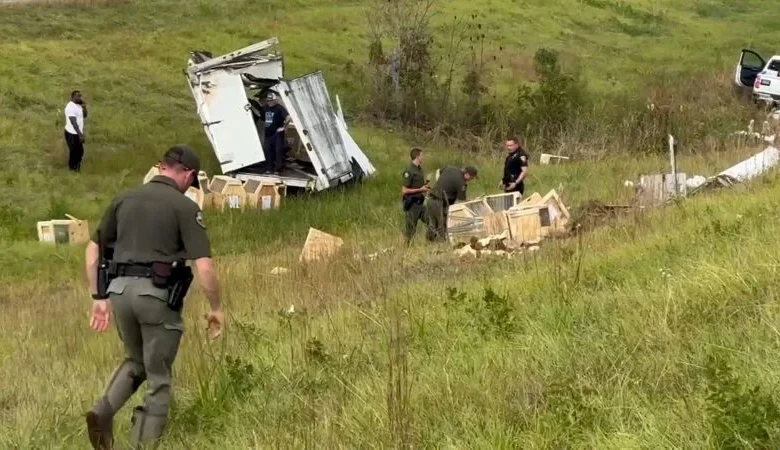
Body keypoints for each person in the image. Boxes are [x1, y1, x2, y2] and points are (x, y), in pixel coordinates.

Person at [83, 145, 225, 449]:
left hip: (119, 292)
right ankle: (142, 445)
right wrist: (217, 307)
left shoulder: (123, 199)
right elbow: (205, 266)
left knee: (136, 361)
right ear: (187, 174)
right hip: (156, 296)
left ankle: (102, 412)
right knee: (159, 376)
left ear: (161, 167)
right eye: (192, 180)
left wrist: (98, 296)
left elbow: (93, 250)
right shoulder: (184, 207)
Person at [425, 165, 478, 242]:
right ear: (467, 174)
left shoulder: (450, 168)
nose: (471, 180)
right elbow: (461, 202)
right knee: (441, 227)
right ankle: (441, 245)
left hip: (431, 199)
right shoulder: (461, 183)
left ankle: (428, 243)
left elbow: (438, 172)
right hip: (439, 202)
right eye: (472, 177)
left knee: (432, 225)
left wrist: (440, 184)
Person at [401, 147, 430, 244]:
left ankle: (431, 241)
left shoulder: (419, 169)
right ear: (417, 157)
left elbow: (418, 185)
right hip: (412, 204)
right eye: (422, 155)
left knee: (431, 220)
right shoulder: (409, 171)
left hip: (420, 203)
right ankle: (406, 249)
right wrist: (420, 189)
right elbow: (404, 190)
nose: (423, 157)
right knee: (410, 230)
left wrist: (425, 186)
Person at [259, 91, 292, 175]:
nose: (269, 102)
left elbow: (288, 117)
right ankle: (269, 169)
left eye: (271, 100)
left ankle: (278, 170)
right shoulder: (265, 108)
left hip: (277, 134)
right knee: (268, 151)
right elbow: (262, 117)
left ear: (275, 100)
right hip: (268, 133)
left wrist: (284, 127)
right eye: (268, 100)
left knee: (278, 151)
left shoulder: (279, 108)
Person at [64, 90, 88, 172]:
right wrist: (80, 134)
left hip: (77, 133)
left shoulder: (79, 106)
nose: (80, 97)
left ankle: (77, 167)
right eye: (78, 96)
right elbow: (73, 122)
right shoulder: (70, 107)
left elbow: (85, 115)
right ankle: (72, 169)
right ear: (73, 97)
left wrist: (84, 106)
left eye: (80, 96)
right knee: (74, 151)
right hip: (71, 133)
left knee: (80, 152)